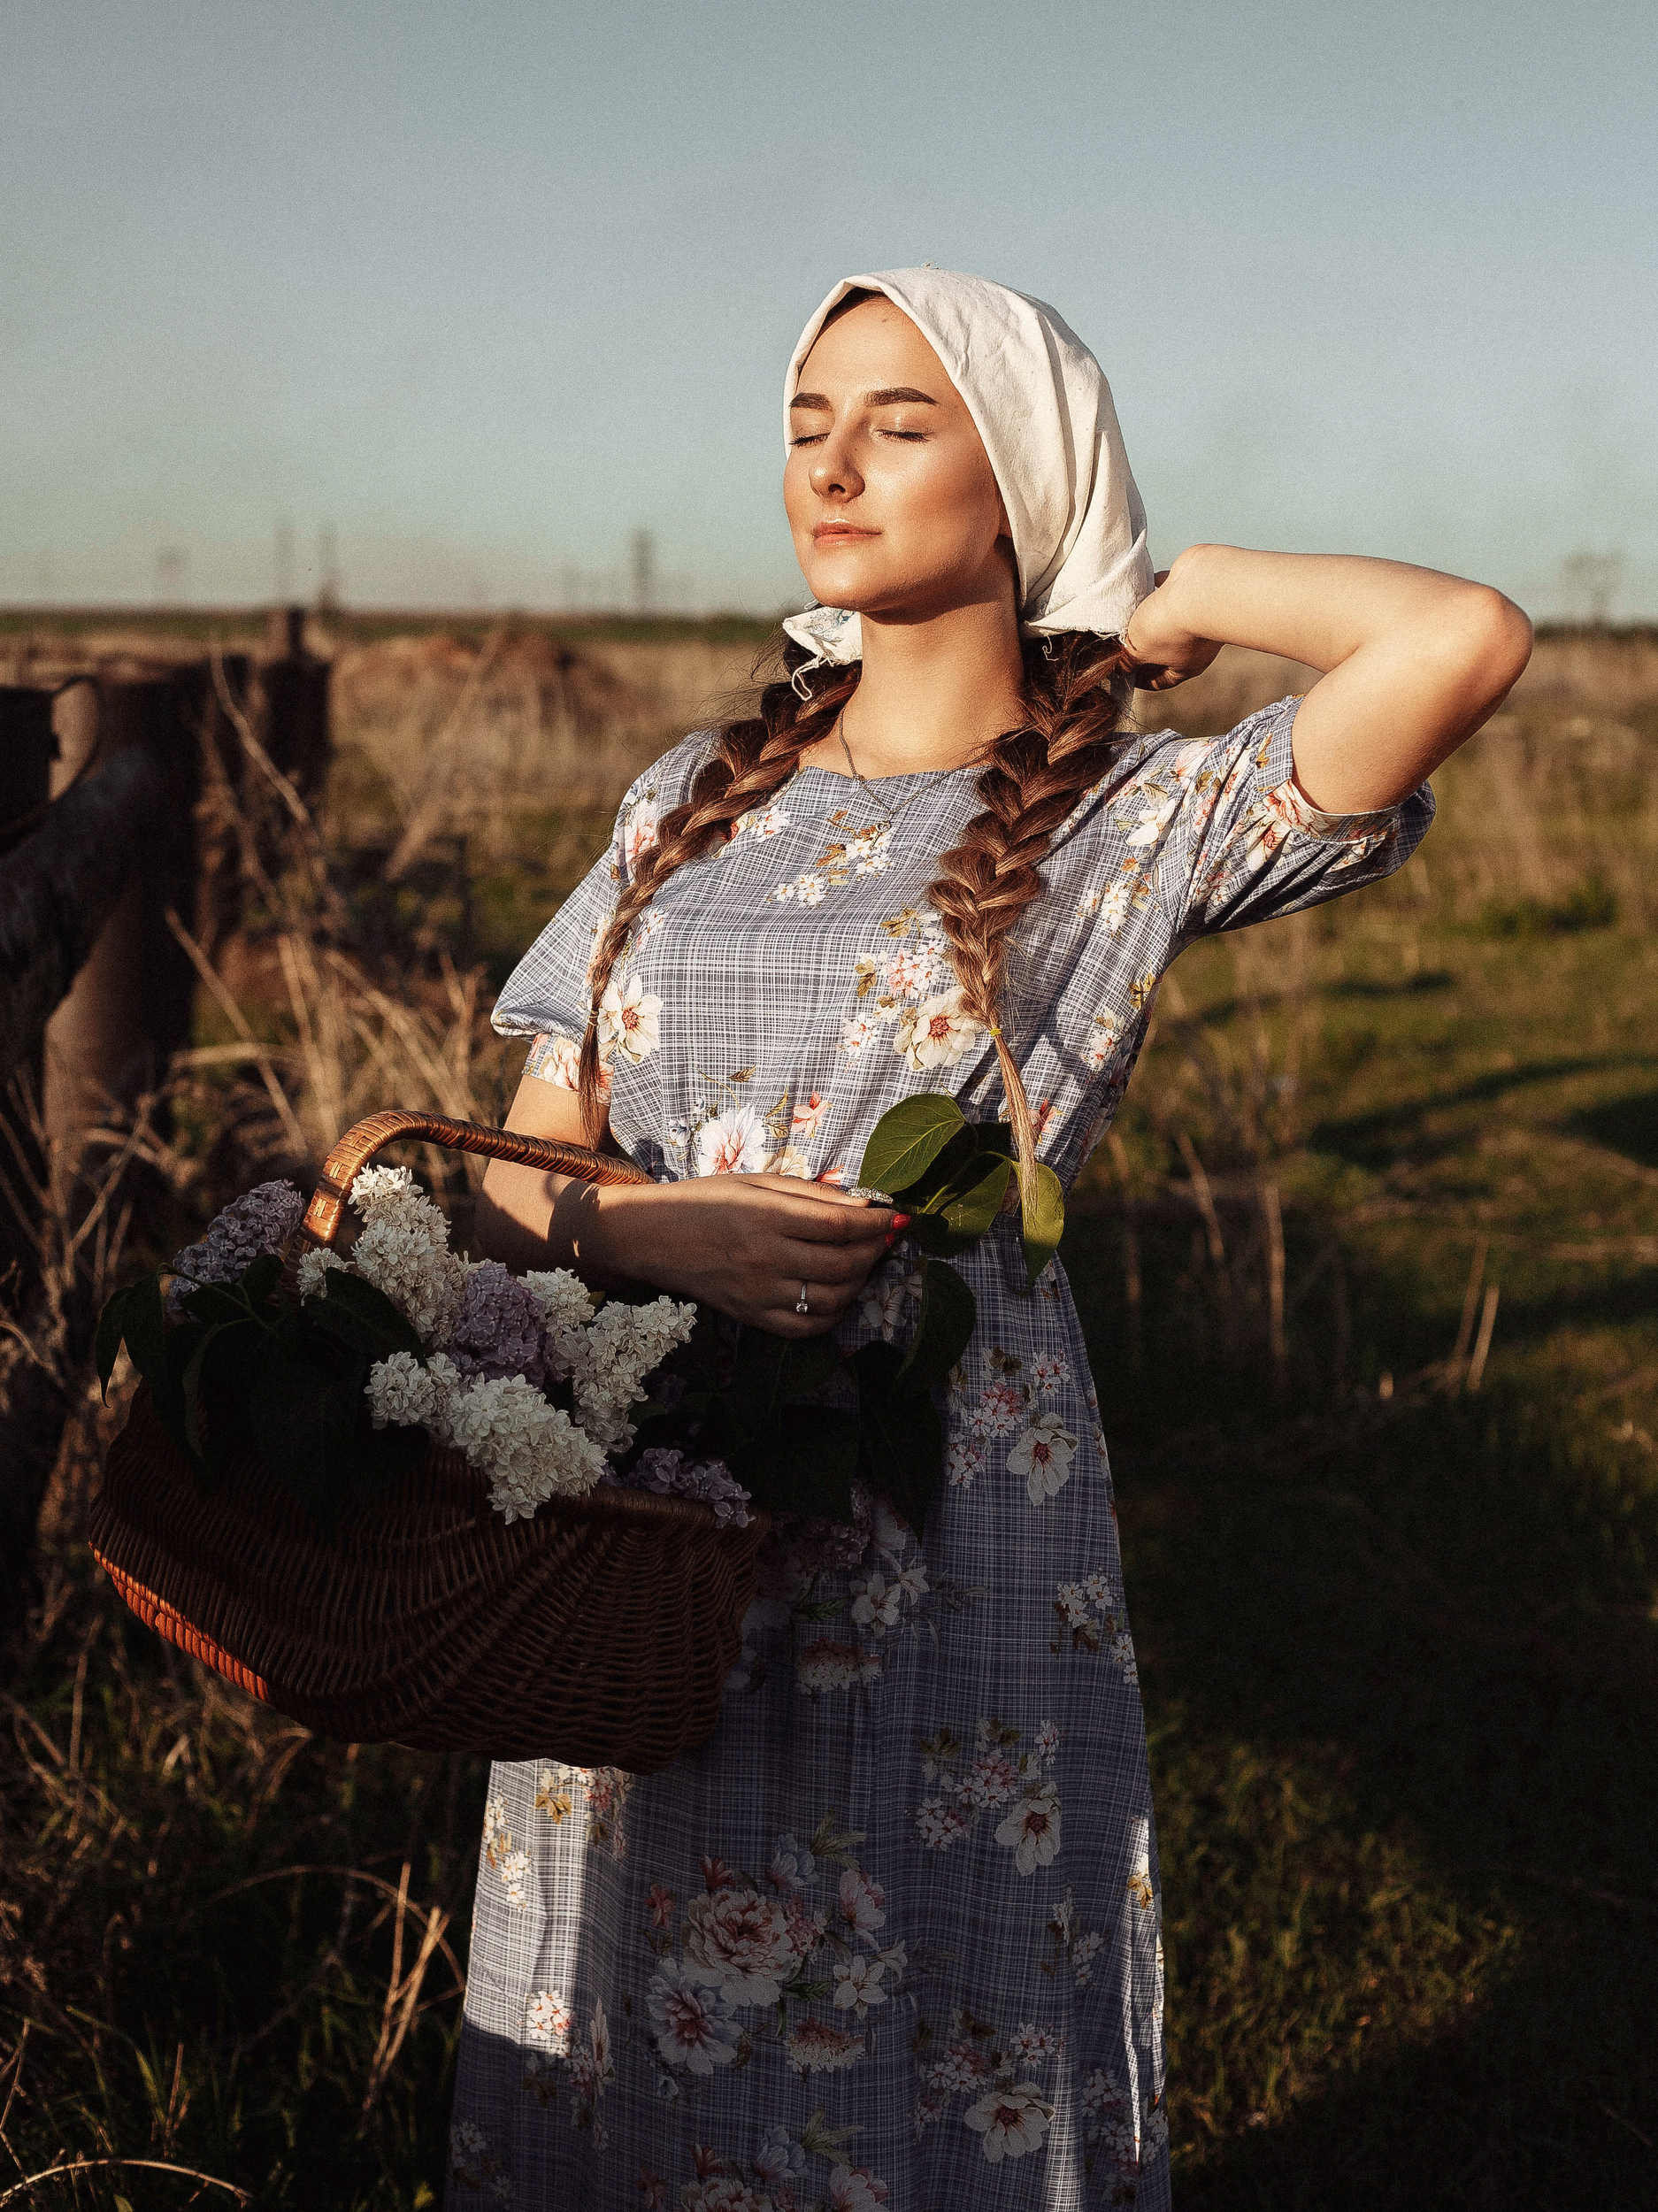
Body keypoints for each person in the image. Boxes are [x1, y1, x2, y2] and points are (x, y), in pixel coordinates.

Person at [446, 268, 1530, 2210]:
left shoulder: (1127, 811)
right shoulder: (683, 795)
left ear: (1024, 471)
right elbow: (517, 1163)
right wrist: (650, 1235)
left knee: (929, 2014)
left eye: (899, 421)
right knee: (633, 2003)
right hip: (640, 1509)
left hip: (941, 1518)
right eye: (805, 424)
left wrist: (1174, 593)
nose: (831, 466)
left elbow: (1459, 635)